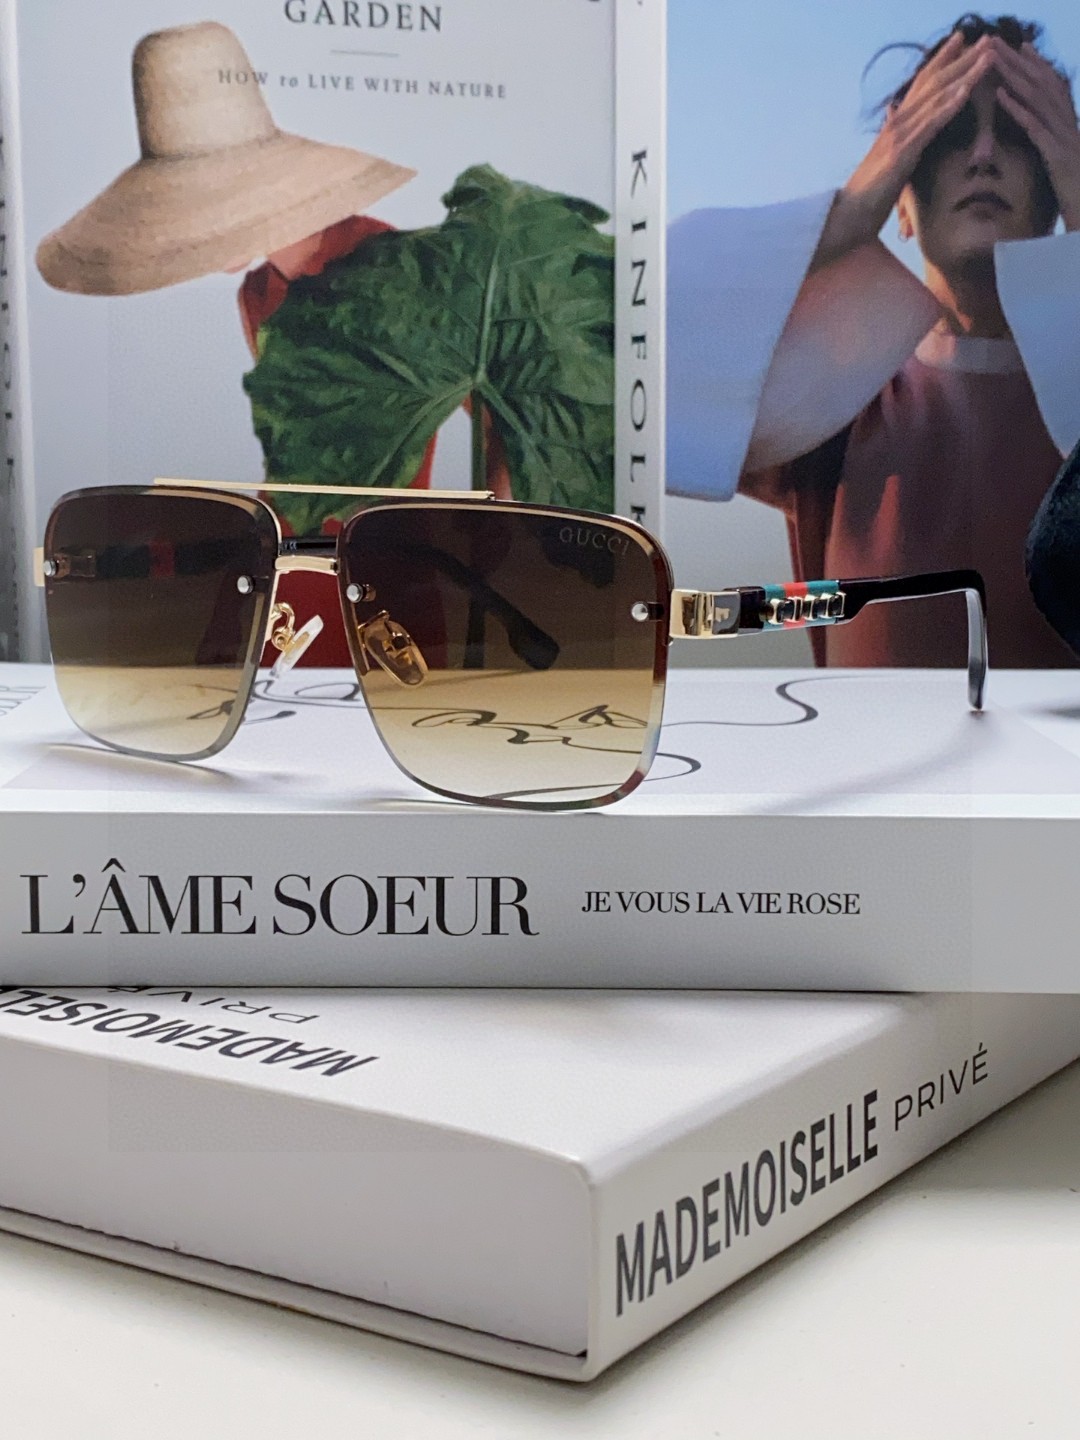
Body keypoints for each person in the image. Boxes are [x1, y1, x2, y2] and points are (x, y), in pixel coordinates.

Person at [667, 14, 1080, 668]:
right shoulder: (836, 399)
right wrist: (850, 212)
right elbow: (625, 360)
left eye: (1018, 133)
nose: (982, 155)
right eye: (946, 136)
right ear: (903, 204)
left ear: (1056, 189)